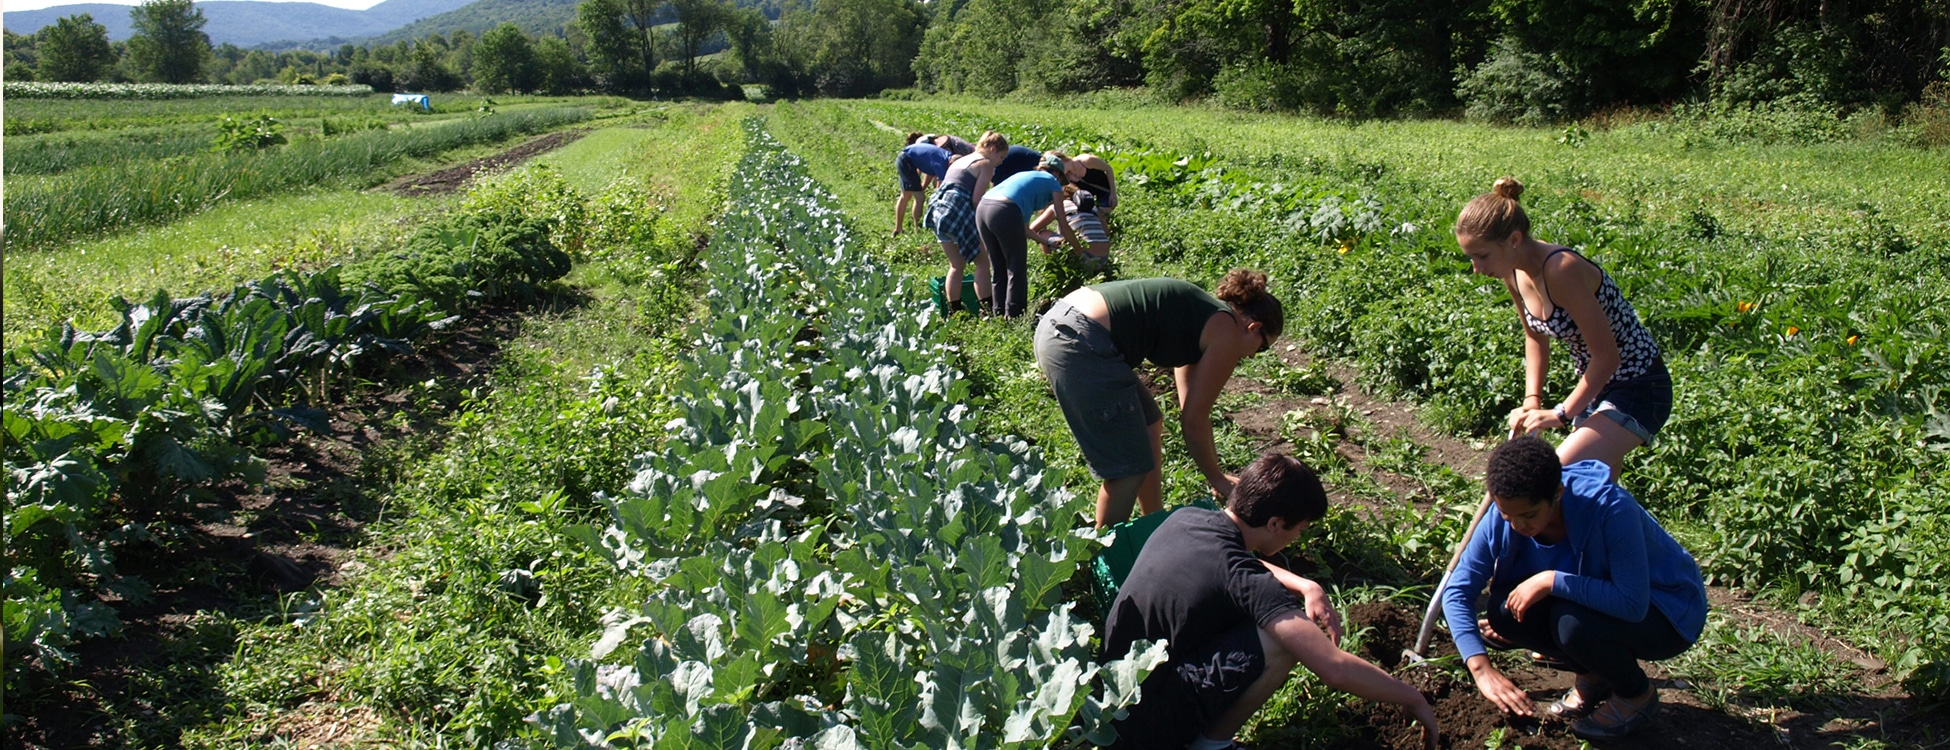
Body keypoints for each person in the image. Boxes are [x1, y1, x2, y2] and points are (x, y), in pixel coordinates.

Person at [1101, 452, 1438, 750]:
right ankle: (1211, 746)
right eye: (1300, 529)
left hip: (1113, 701)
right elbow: (1332, 668)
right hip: (1147, 729)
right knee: (1281, 641)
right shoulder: (1247, 580)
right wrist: (1412, 697)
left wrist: (1306, 586)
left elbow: (1231, 563)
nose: (1297, 538)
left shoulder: (1189, 518)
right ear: (1275, 523)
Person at [1441, 436, 1706, 741]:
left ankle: (1636, 695)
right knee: (1505, 612)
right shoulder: (1506, 515)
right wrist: (1481, 669)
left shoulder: (1610, 510)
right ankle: (1593, 675)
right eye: (1506, 514)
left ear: (1557, 493)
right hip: (1599, 603)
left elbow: (1633, 603)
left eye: (1528, 515)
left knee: (1571, 624)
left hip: (1666, 613)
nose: (1517, 525)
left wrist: (1551, 580)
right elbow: (1458, 591)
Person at [1455, 177, 1671, 481]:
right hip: (1596, 387)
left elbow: (1608, 357)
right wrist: (1532, 401)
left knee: (1554, 477)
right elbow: (1534, 339)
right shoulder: (1513, 273)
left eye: (1483, 256)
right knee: (1592, 493)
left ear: (1514, 240)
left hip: (1638, 386)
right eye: (1471, 258)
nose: (1477, 268)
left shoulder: (1561, 269)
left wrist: (1561, 414)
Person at [1034, 269, 1280, 527]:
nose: (1253, 356)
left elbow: (1193, 414)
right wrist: (1217, 479)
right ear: (1254, 327)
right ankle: (1103, 554)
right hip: (1080, 339)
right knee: (1128, 470)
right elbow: (1194, 422)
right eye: (1262, 348)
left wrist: (1215, 473)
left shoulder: (1206, 320)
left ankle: (1153, 522)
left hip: (1061, 324)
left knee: (1150, 425)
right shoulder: (1227, 332)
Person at [978, 152, 1083, 318]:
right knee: (1016, 267)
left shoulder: (1024, 177)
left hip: (983, 208)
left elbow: (1024, 229)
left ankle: (998, 314)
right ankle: (1015, 316)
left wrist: (1044, 241)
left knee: (998, 266)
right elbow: (1063, 223)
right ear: (1056, 173)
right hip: (1005, 210)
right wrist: (1078, 250)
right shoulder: (1053, 182)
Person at [926, 131, 1008, 313]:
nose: (1001, 161)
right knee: (983, 262)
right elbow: (977, 199)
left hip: (939, 210)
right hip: (958, 210)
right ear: (993, 149)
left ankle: (954, 310)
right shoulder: (985, 164)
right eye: (1001, 157)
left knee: (956, 265)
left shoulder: (964, 159)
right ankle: (987, 308)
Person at [1030, 186, 1110, 267]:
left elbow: (1032, 229)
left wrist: (1046, 242)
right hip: (1104, 259)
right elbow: (1106, 231)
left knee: (1042, 234)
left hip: (1084, 258)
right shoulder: (1091, 207)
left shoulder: (1058, 205)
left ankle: (1053, 267)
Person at [894, 133, 953, 236]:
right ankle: (918, 230)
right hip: (907, 161)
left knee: (906, 195)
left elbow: (930, 173)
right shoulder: (943, 162)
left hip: (903, 157)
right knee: (920, 198)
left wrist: (923, 187)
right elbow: (942, 186)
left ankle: (898, 229)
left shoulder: (943, 156)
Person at [1063, 151, 1119, 219]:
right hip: (1088, 197)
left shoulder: (1087, 160)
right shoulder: (1066, 176)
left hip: (1105, 190)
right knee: (1091, 218)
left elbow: (1108, 169)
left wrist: (1113, 193)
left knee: (1102, 216)